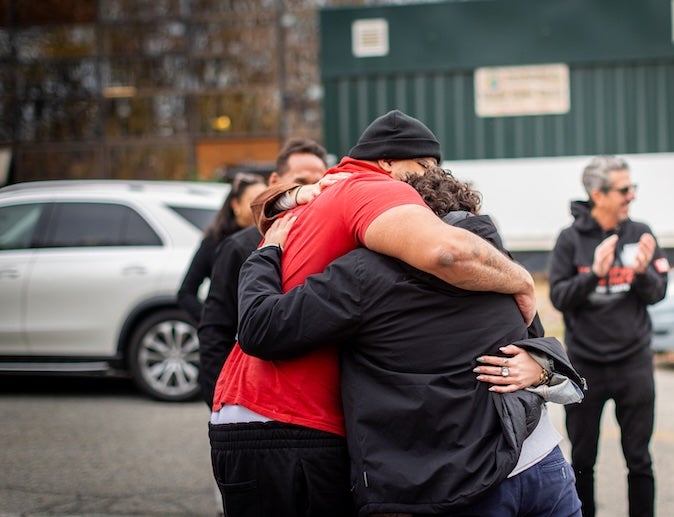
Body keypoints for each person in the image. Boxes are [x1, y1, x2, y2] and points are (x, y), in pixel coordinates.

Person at [209, 110, 537, 516]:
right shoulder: (381, 190)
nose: (427, 180)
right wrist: (522, 281)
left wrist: (292, 196)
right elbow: (449, 252)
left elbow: (262, 205)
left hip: (249, 415)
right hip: (293, 420)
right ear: (387, 163)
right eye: (424, 165)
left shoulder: (327, 192)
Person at [547, 155, 669, 517]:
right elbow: (559, 297)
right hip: (587, 369)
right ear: (598, 195)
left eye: (633, 188)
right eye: (624, 189)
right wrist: (594, 275)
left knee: (640, 460)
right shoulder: (570, 240)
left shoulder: (640, 232)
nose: (631, 195)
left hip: (634, 366)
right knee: (583, 460)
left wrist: (643, 272)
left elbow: (658, 291)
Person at [197, 137, 329, 409]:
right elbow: (215, 330)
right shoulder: (239, 246)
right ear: (274, 183)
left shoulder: (331, 241)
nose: (313, 190)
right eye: (301, 180)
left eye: (320, 181)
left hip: (311, 405)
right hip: (251, 402)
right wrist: (218, 401)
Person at [177, 173, 267, 325]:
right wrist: (212, 321)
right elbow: (186, 293)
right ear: (235, 204)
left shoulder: (274, 236)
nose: (263, 207)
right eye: (255, 201)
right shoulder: (215, 242)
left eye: (267, 200)